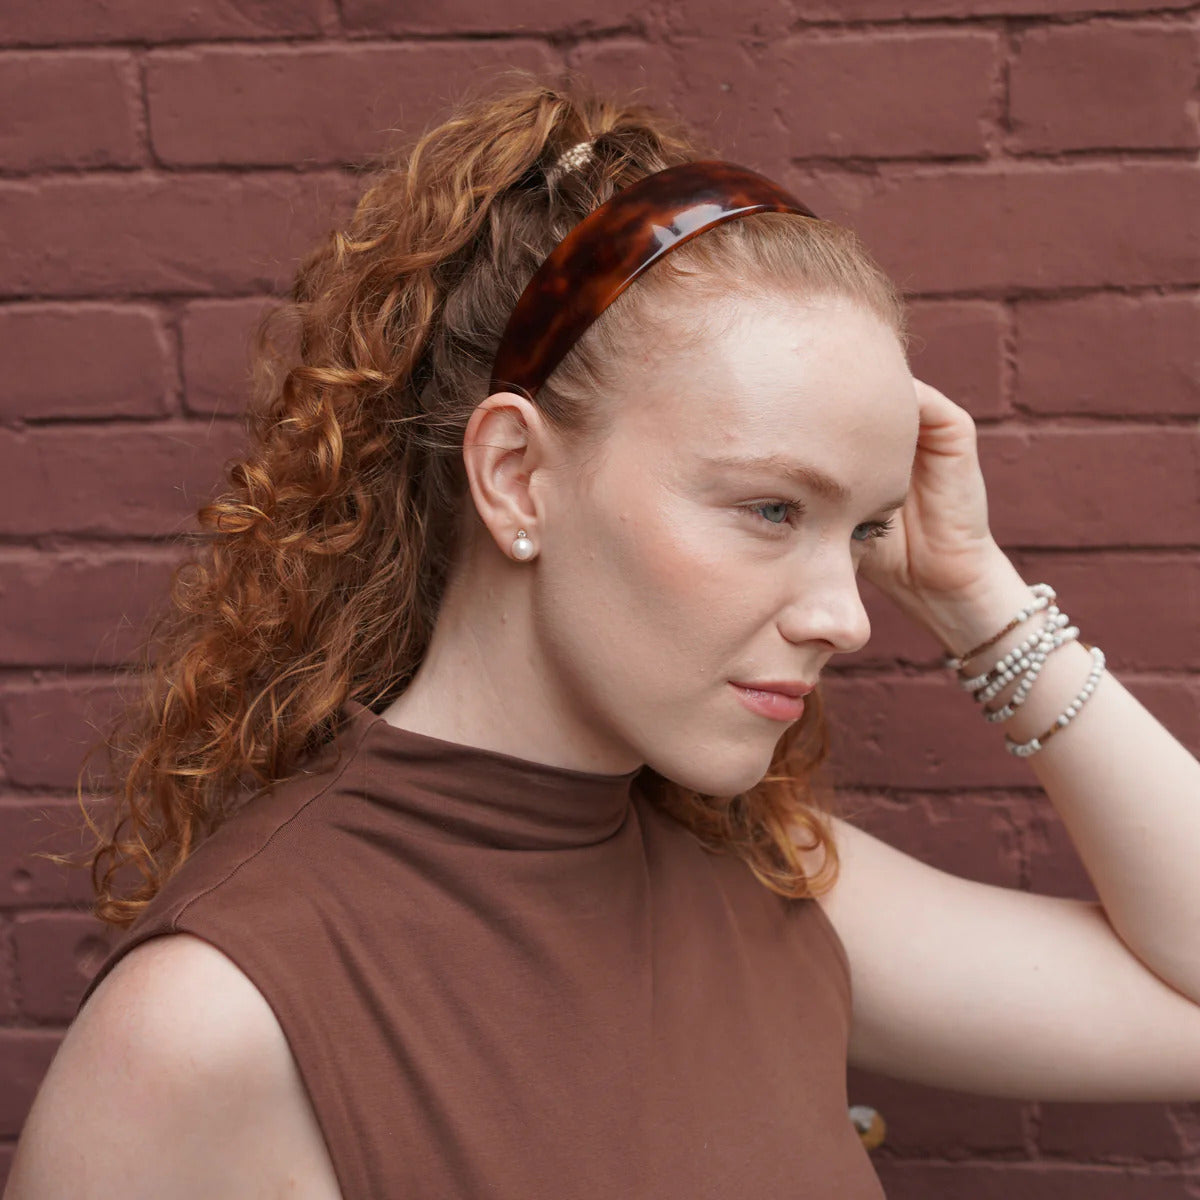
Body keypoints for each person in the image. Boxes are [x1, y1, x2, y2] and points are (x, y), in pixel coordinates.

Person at [6, 72, 1199, 1199]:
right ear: (517, 476)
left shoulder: (775, 886)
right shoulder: (218, 1019)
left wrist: (976, 596)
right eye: (772, 508)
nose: (843, 614)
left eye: (865, 530)